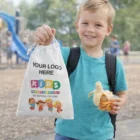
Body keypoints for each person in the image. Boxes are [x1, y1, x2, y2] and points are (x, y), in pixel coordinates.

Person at [33, 0, 127, 140]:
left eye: (98, 25)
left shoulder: (114, 63)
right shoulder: (66, 55)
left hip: (101, 134)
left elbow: (122, 92)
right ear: (77, 25)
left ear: (108, 29)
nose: (90, 29)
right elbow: (44, 60)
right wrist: (44, 42)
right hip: (66, 133)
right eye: (85, 23)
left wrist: (119, 102)